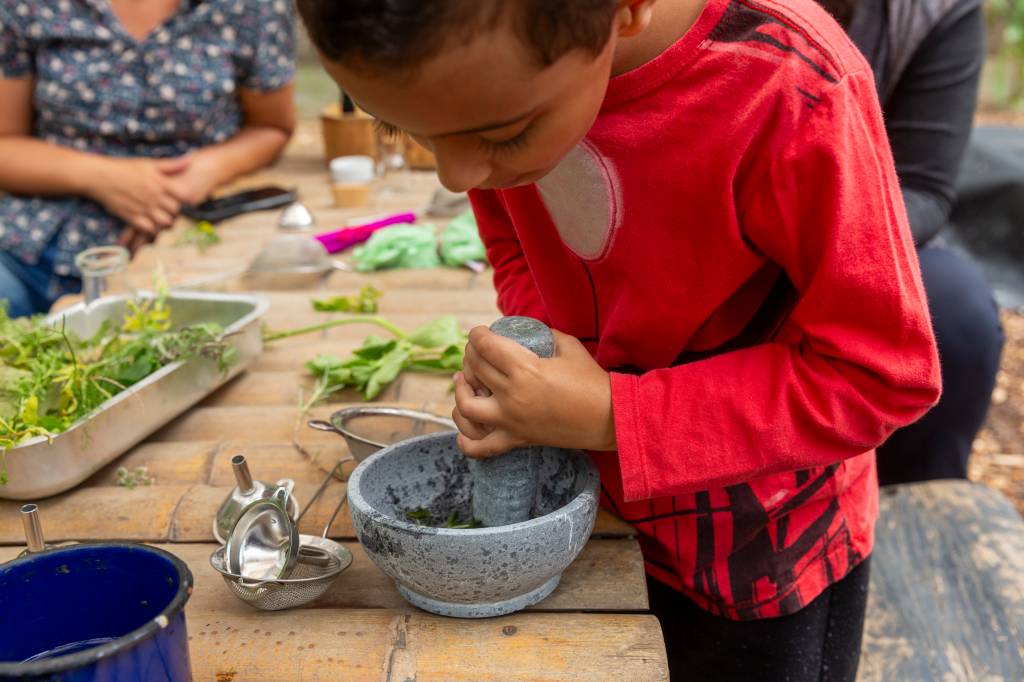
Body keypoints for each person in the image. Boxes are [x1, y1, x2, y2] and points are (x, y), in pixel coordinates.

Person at [296, 1, 942, 679]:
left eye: (505, 135)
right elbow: (515, 244)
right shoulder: (489, 100)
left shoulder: (792, 90)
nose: (455, 177)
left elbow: (879, 377)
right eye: (404, 128)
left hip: (757, 557)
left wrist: (612, 415)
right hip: (602, 524)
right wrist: (537, 365)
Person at [0, 0, 297, 318]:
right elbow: (6, 141)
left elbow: (271, 127)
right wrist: (103, 178)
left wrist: (199, 173)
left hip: (186, 250)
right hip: (35, 248)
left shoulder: (253, 7)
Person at [813, 0, 1005, 486]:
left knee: (954, 317)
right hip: (727, 220)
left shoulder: (936, 12)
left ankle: (917, 494)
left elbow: (924, 189)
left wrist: (824, 241)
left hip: (853, 226)